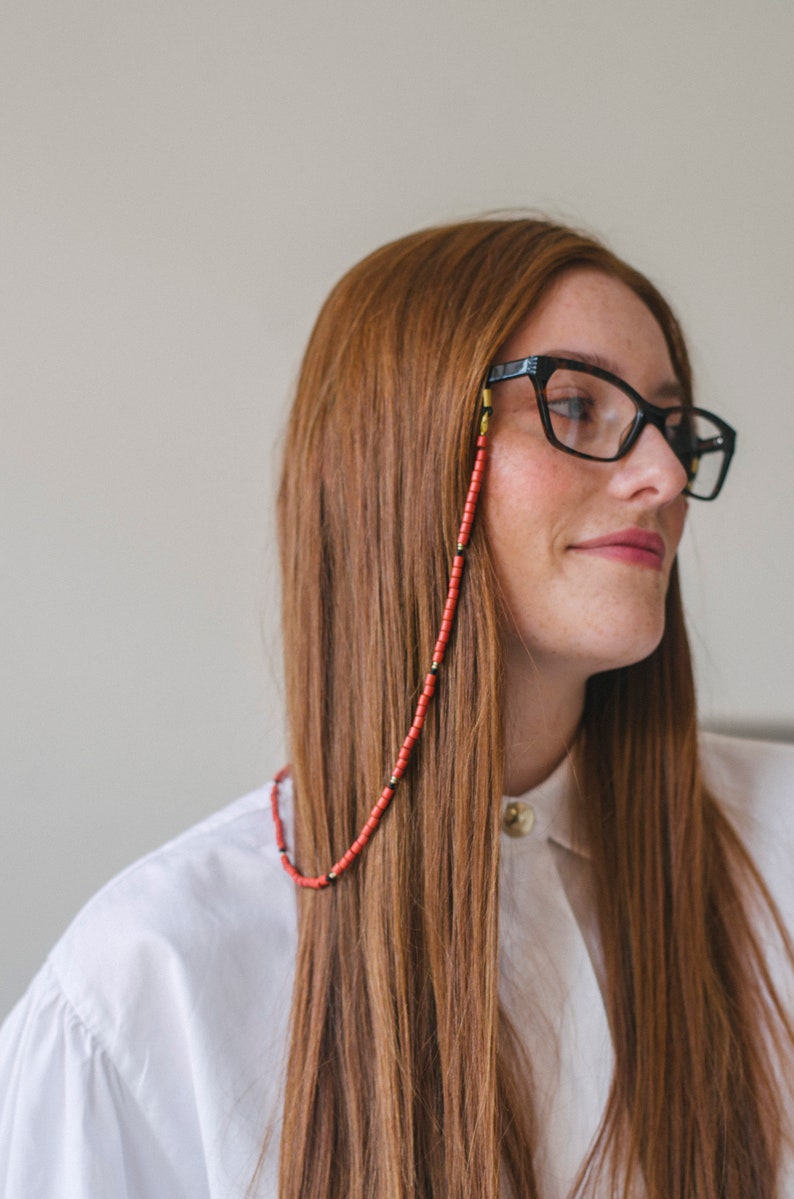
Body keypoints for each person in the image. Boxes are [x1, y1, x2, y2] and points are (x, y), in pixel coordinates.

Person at [1, 217, 793, 1199]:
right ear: (404, 447)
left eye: (670, 426)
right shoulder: (144, 991)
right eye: (579, 405)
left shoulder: (778, 841)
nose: (665, 477)